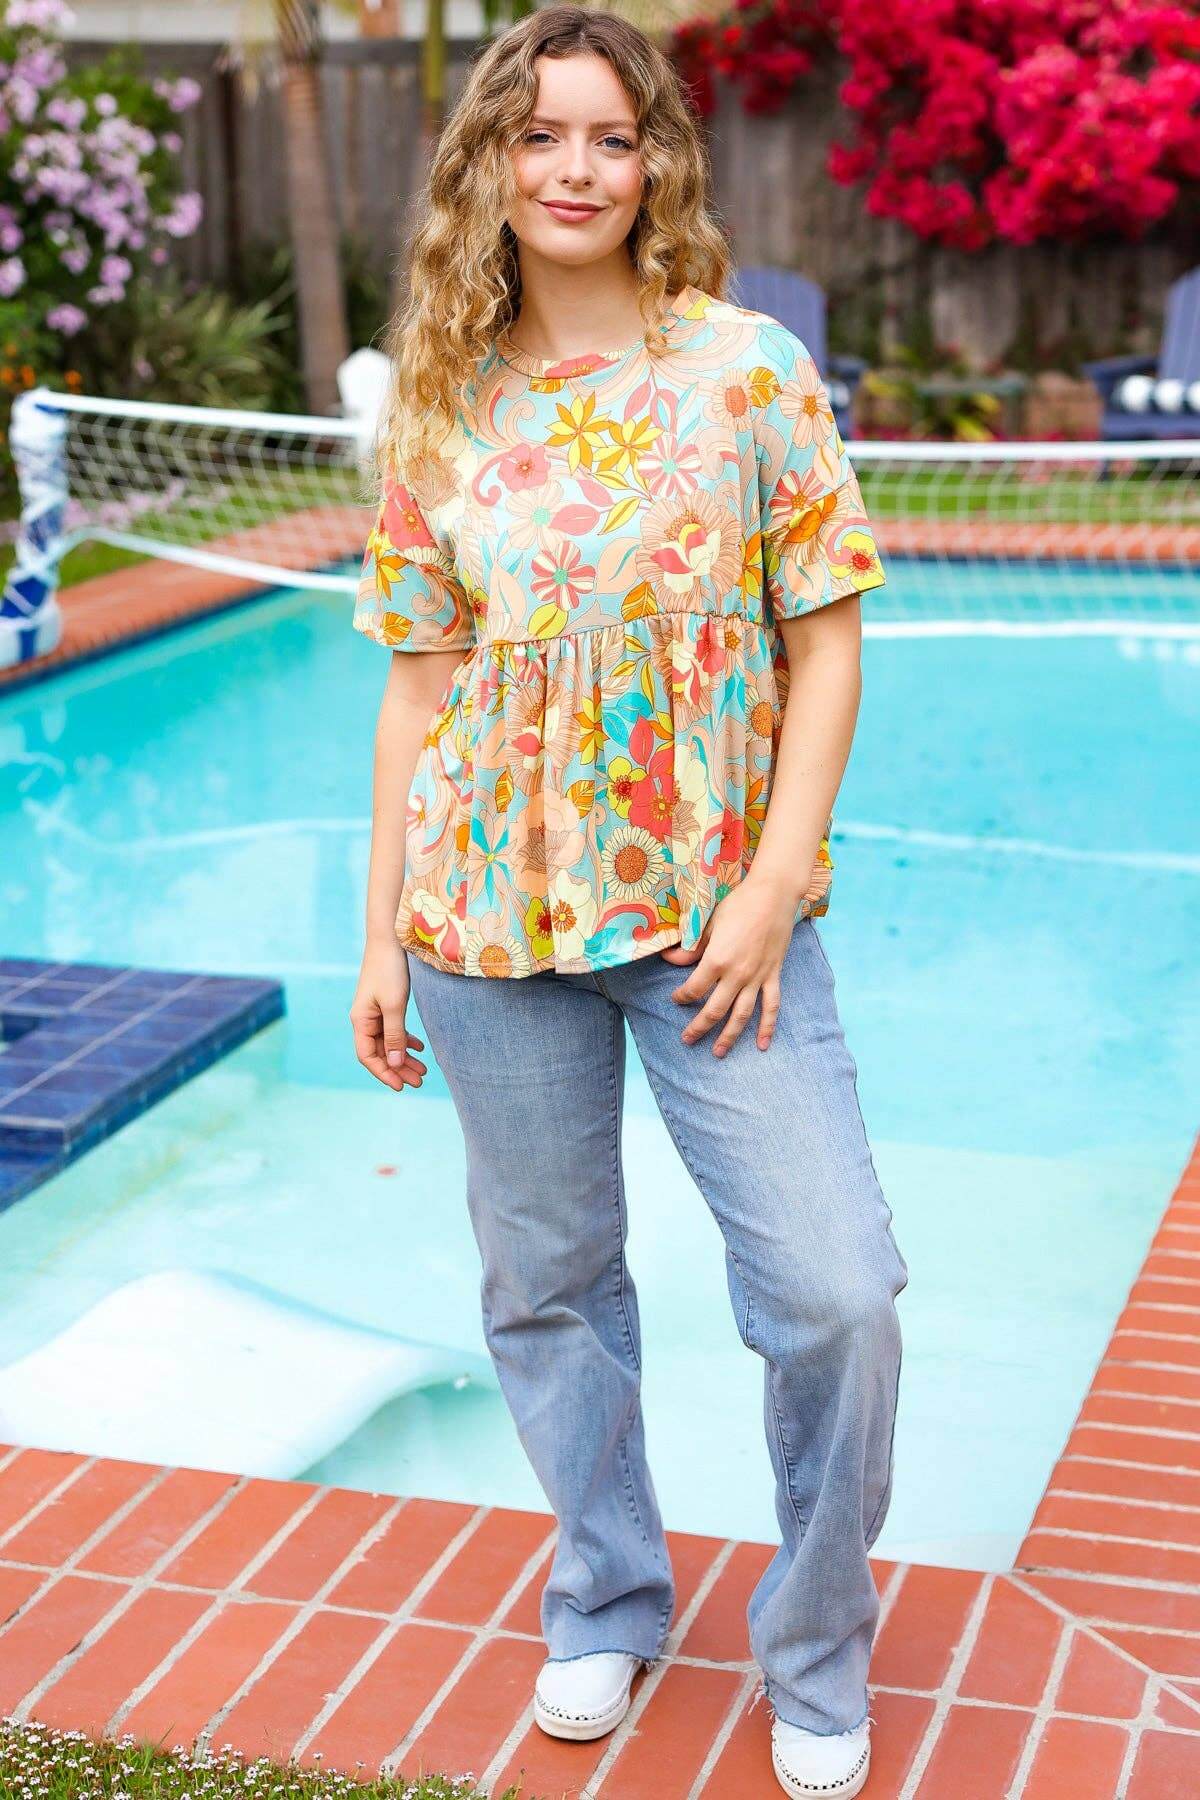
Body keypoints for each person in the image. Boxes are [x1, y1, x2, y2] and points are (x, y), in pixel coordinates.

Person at [348, 8, 907, 1795]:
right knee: (548, 1281)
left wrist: (767, 885)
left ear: (656, 160)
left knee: (836, 1296)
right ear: (488, 169)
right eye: (538, 137)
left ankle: (815, 1649)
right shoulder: (442, 397)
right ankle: (604, 1593)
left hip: (716, 930)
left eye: (608, 136)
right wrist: (378, 929)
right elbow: (420, 688)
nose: (574, 170)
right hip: (485, 931)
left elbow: (828, 645)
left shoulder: (745, 371)